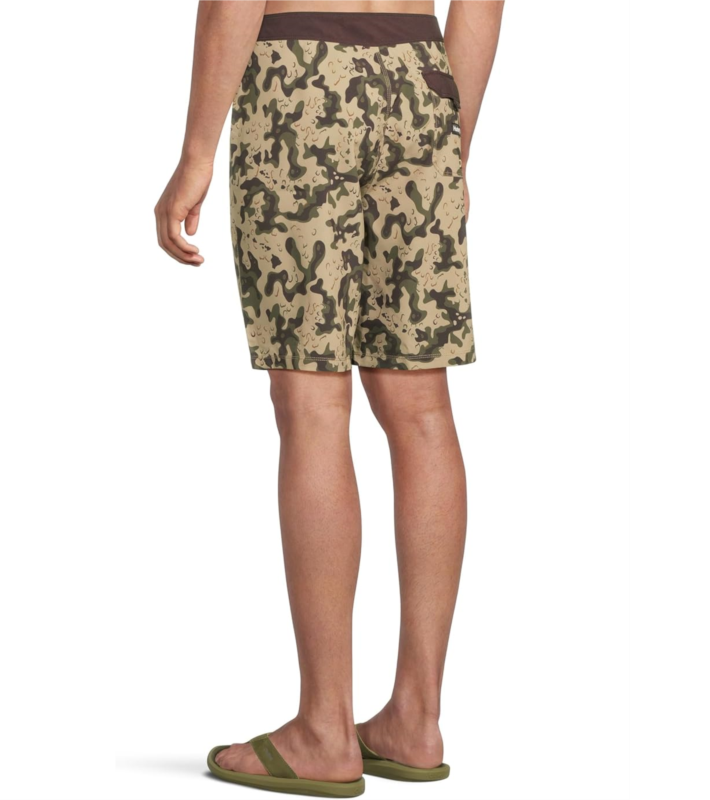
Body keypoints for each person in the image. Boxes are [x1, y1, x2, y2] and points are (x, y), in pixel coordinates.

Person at [155, 0, 504, 795]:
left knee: (314, 408)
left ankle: (323, 729)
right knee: (422, 410)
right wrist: (448, 144)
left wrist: (196, 153)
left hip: (299, 83)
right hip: (421, 81)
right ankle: (416, 718)